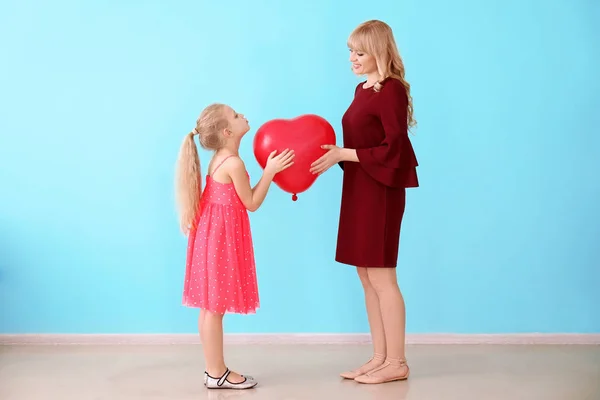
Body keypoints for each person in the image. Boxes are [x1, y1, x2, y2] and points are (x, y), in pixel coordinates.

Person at [310, 20, 419, 384]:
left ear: (378, 51)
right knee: (365, 275)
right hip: (359, 187)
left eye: (359, 52)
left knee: (383, 276)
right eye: (350, 52)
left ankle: (397, 362)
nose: (352, 59)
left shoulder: (392, 90)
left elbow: (396, 147)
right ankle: (380, 357)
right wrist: (335, 155)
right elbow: (358, 145)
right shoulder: (362, 90)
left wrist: (346, 152)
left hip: (382, 190)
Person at [175, 103, 295, 390]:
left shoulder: (220, 158)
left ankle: (212, 370)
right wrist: (270, 172)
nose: (243, 115)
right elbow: (251, 203)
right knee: (213, 309)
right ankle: (217, 373)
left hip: (210, 234)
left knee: (208, 308)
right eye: (236, 115)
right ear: (228, 131)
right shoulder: (233, 163)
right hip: (220, 238)